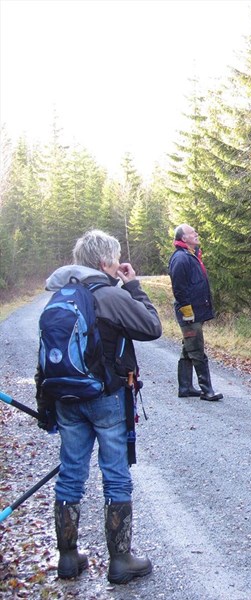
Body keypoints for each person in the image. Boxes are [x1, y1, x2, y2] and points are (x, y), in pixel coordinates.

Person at [35, 230, 162, 583]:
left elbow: (46, 355)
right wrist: (133, 286)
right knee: (115, 474)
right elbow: (152, 326)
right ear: (106, 262)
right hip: (106, 397)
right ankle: (120, 561)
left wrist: (45, 402)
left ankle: (68, 559)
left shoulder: (59, 297)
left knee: (71, 473)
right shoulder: (108, 295)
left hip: (66, 398)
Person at [168, 224, 223, 402]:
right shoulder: (180, 259)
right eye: (192, 233)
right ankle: (207, 390)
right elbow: (179, 288)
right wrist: (187, 311)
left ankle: (185, 387)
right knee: (197, 350)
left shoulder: (191, 256)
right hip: (188, 314)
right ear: (184, 238)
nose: (196, 234)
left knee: (188, 349)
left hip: (196, 312)